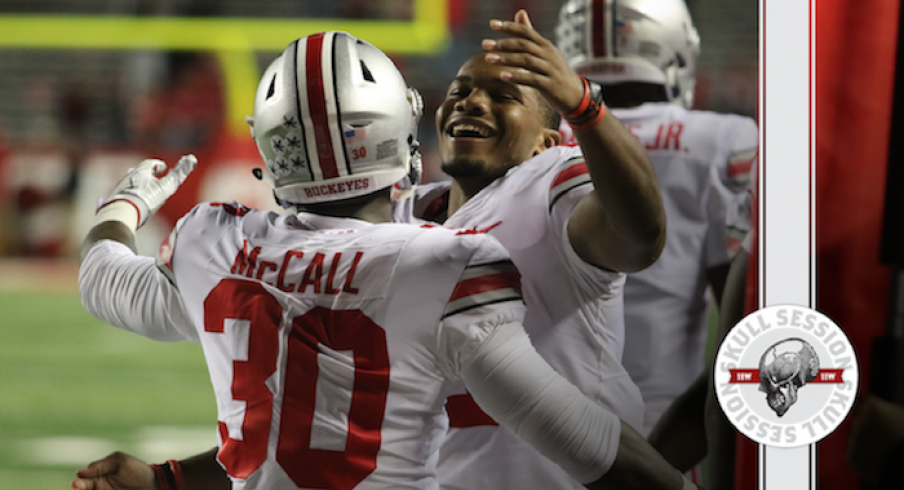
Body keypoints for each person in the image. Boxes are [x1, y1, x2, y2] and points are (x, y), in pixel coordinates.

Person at [74, 32, 699, 490]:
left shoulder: (552, 181)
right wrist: (173, 480)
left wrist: (587, 109)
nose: (470, 102)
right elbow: (309, 423)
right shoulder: (434, 254)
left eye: (503, 94)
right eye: (459, 90)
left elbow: (639, 234)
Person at [555, 0, 759, 458]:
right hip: (664, 432)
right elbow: (746, 325)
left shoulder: (541, 139)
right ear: (674, 47)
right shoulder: (723, 140)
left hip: (542, 438)